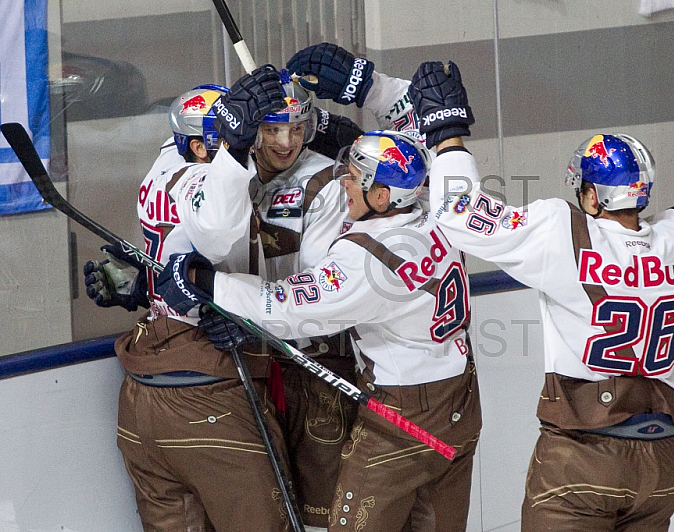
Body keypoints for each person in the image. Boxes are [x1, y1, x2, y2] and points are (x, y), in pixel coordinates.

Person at [407, 60, 674, 531]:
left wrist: (448, 134)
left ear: (590, 195)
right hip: (660, 462)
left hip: (580, 458)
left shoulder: (563, 232)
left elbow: (457, 212)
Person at [154, 128, 483, 532]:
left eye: (355, 177)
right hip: (462, 400)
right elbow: (459, 172)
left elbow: (287, 307)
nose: (343, 181)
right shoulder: (444, 211)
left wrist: (206, 283)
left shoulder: (367, 258)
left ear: (383, 197)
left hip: (403, 416)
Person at [87, 68, 297, 532]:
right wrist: (234, 147)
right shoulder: (195, 183)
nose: (255, 143)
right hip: (208, 395)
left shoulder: (164, 160)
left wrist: (140, 282)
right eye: (231, 136)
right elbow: (218, 235)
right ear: (201, 148)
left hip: (143, 397)